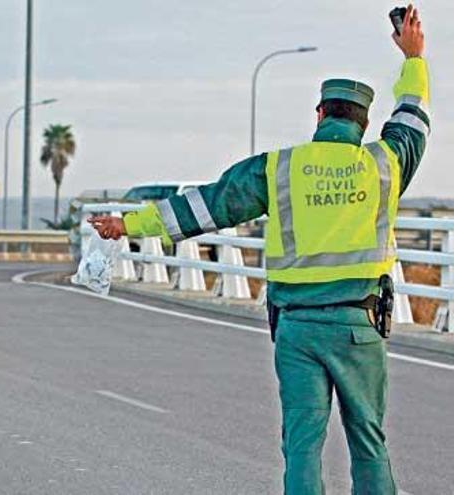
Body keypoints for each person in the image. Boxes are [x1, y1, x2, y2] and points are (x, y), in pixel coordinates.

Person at [90, 5, 428, 494]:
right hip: (359, 327)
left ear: (319, 116)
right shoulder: (385, 164)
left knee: (302, 446)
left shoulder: (279, 169)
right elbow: (412, 119)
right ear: (363, 122)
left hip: (297, 330)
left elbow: (209, 205)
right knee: (368, 444)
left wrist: (130, 223)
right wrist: (413, 57)